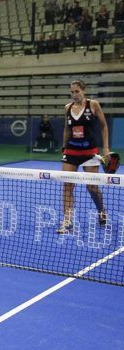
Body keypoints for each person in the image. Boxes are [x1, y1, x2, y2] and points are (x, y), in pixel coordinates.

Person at [57, 79, 110, 234]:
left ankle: (101, 211)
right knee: (67, 185)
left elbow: (104, 126)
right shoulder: (67, 108)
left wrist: (106, 148)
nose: (74, 95)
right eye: (72, 92)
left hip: (90, 152)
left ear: (83, 90)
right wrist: (64, 147)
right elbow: (67, 129)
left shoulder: (93, 105)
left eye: (77, 91)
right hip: (71, 151)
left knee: (91, 186)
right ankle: (67, 221)